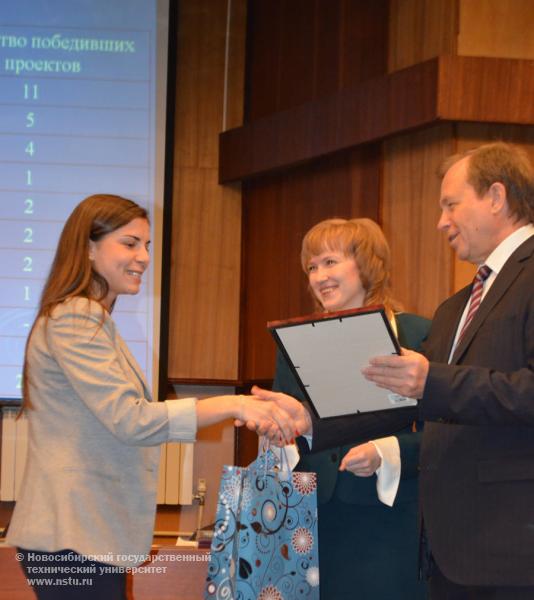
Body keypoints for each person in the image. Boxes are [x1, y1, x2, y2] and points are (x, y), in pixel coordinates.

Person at [6, 194, 295, 599]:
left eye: (146, 245)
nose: (143, 257)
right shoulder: (76, 317)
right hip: (69, 537)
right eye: (129, 243)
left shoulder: (88, 318)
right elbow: (131, 419)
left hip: (80, 535)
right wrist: (235, 403)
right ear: (88, 248)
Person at [362, 142, 534, 598]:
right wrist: (310, 419)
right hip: (451, 552)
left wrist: (430, 380)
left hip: (515, 552)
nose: (441, 221)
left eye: (450, 205)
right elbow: (417, 405)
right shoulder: (454, 308)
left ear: (496, 197)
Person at [255, 218, 430, 599]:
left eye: (330, 262)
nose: (319, 277)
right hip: (314, 517)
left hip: (392, 516)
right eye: (312, 267)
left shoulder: (418, 334)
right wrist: (276, 427)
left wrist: (386, 453)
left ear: (367, 263)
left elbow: (444, 434)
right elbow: (292, 435)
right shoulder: (297, 341)